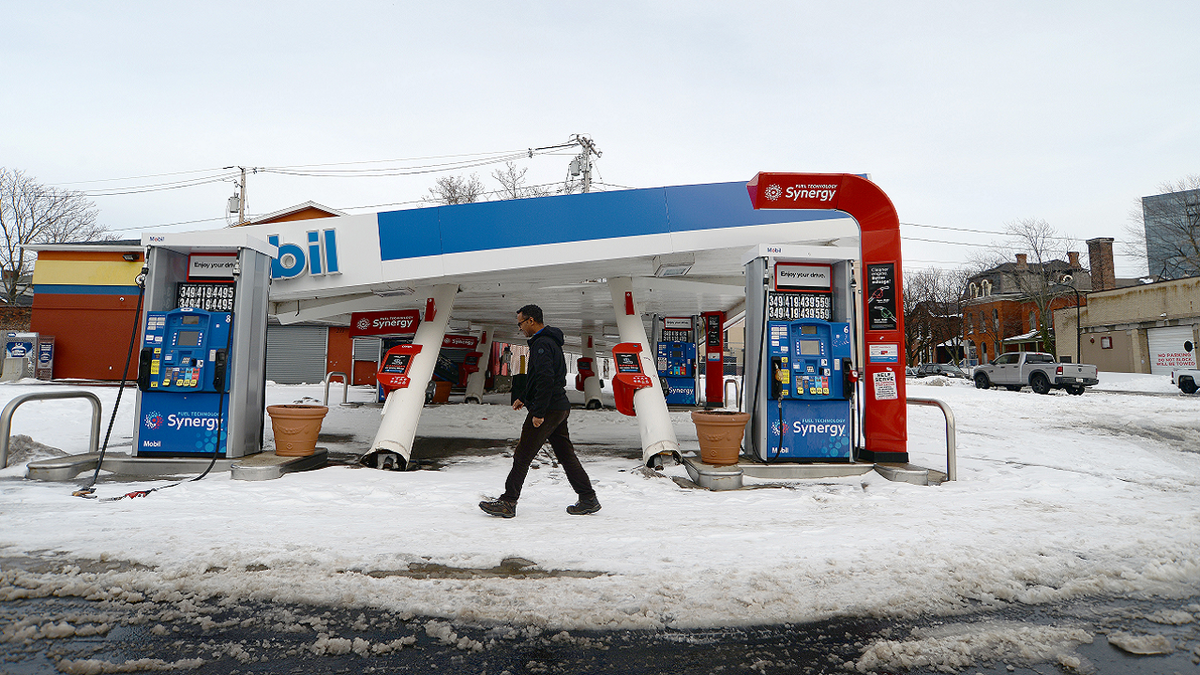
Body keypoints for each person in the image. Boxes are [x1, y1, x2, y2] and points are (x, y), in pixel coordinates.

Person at [479, 304, 600, 518]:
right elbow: (539, 377)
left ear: (531, 321)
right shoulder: (549, 341)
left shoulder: (542, 344)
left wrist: (539, 412)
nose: (520, 328)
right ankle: (588, 498)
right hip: (559, 405)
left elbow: (545, 379)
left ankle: (508, 502)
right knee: (565, 454)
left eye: (521, 323)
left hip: (549, 407)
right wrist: (524, 398)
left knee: (523, 454)